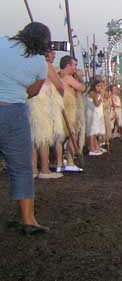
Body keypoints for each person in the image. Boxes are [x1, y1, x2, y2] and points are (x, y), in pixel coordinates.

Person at [0, 22, 54, 234]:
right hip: (13, 112)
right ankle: (28, 220)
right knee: (21, 169)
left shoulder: (2, 42)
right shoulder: (40, 63)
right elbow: (32, 92)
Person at [28, 46, 64, 179]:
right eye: (52, 52)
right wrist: (61, 97)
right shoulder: (47, 65)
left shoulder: (31, 63)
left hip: (32, 100)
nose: (54, 55)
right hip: (44, 100)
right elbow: (59, 85)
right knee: (44, 135)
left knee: (34, 135)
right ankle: (44, 169)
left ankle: (33, 169)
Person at [58, 55, 85, 172]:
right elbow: (82, 88)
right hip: (69, 109)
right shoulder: (68, 78)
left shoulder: (58, 75)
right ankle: (69, 161)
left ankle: (59, 163)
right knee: (71, 135)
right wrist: (79, 77)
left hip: (61, 107)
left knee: (60, 137)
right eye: (74, 65)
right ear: (68, 65)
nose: (75, 67)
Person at [85, 78, 106, 156]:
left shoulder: (95, 93)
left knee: (94, 132)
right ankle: (92, 149)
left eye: (100, 86)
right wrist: (101, 97)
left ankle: (95, 147)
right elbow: (97, 104)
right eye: (98, 86)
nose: (99, 88)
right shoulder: (92, 93)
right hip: (92, 114)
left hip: (95, 114)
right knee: (92, 132)